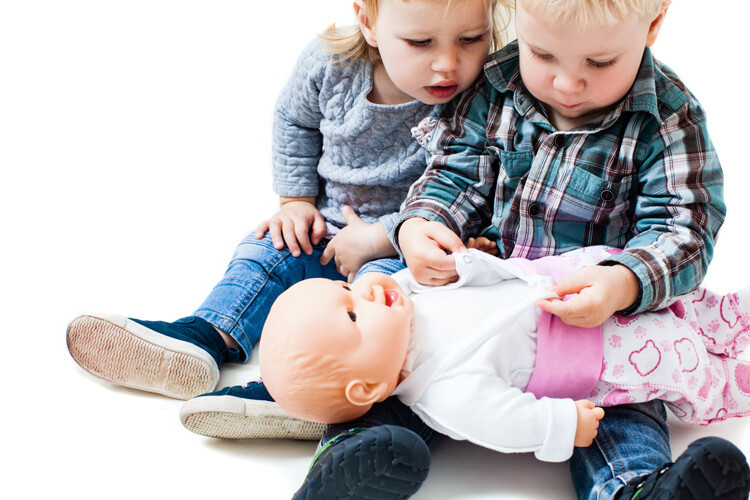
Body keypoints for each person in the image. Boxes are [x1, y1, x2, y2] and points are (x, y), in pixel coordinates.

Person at [197, 0, 744, 498]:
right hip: (481, 292)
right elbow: (454, 174)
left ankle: (640, 487)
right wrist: (422, 225)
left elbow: (687, 227)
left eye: (599, 62)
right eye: (543, 53)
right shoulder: (497, 87)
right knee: (405, 375)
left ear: (651, 25)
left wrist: (623, 280)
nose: (567, 82)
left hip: (601, 328)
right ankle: (341, 460)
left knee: (621, 412)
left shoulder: (668, 119)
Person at [65, 0, 511, 416]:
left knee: (387, 303)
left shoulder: (481, 97)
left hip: (407, 246)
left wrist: (382, 236)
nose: (448, 63)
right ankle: (204, 336)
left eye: (471, 39)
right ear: (368, 21)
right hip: (328, 225)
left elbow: (472, 182)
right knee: (264, 252)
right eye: (420, 43)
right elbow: (294, 121)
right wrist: (295, 200)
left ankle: (308, 393)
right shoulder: (331, 64)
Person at [257, 247, 750, 467]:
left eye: (347, 288)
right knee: (686, 362)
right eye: (351, 315)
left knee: (693, 305)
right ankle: (733, 378)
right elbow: (503, 420)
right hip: (603, 353)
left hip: (576, 284)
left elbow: (475, 278)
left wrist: (466, 261)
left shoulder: (409, 296)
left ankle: (733, 316)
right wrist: (557, 425)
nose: (363, 293)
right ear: (367, 388)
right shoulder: (442, 392)